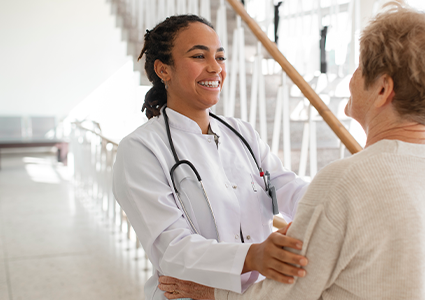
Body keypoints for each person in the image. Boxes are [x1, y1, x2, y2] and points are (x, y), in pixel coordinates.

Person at [158, 4, 425, 300]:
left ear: (382, 89)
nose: (351, 79)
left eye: (359, 68)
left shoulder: (344, 182)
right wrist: (319, 225)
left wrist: (210, 293)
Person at [112, 15, 310, 300]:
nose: (215, 67)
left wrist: (328, 205)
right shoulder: (141, 149)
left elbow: (288, 187)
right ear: (163, 69)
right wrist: (253, 256)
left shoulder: (242, 133)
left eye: (220, 57)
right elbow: (172, 249)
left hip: (258, 294)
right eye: (198, 56)